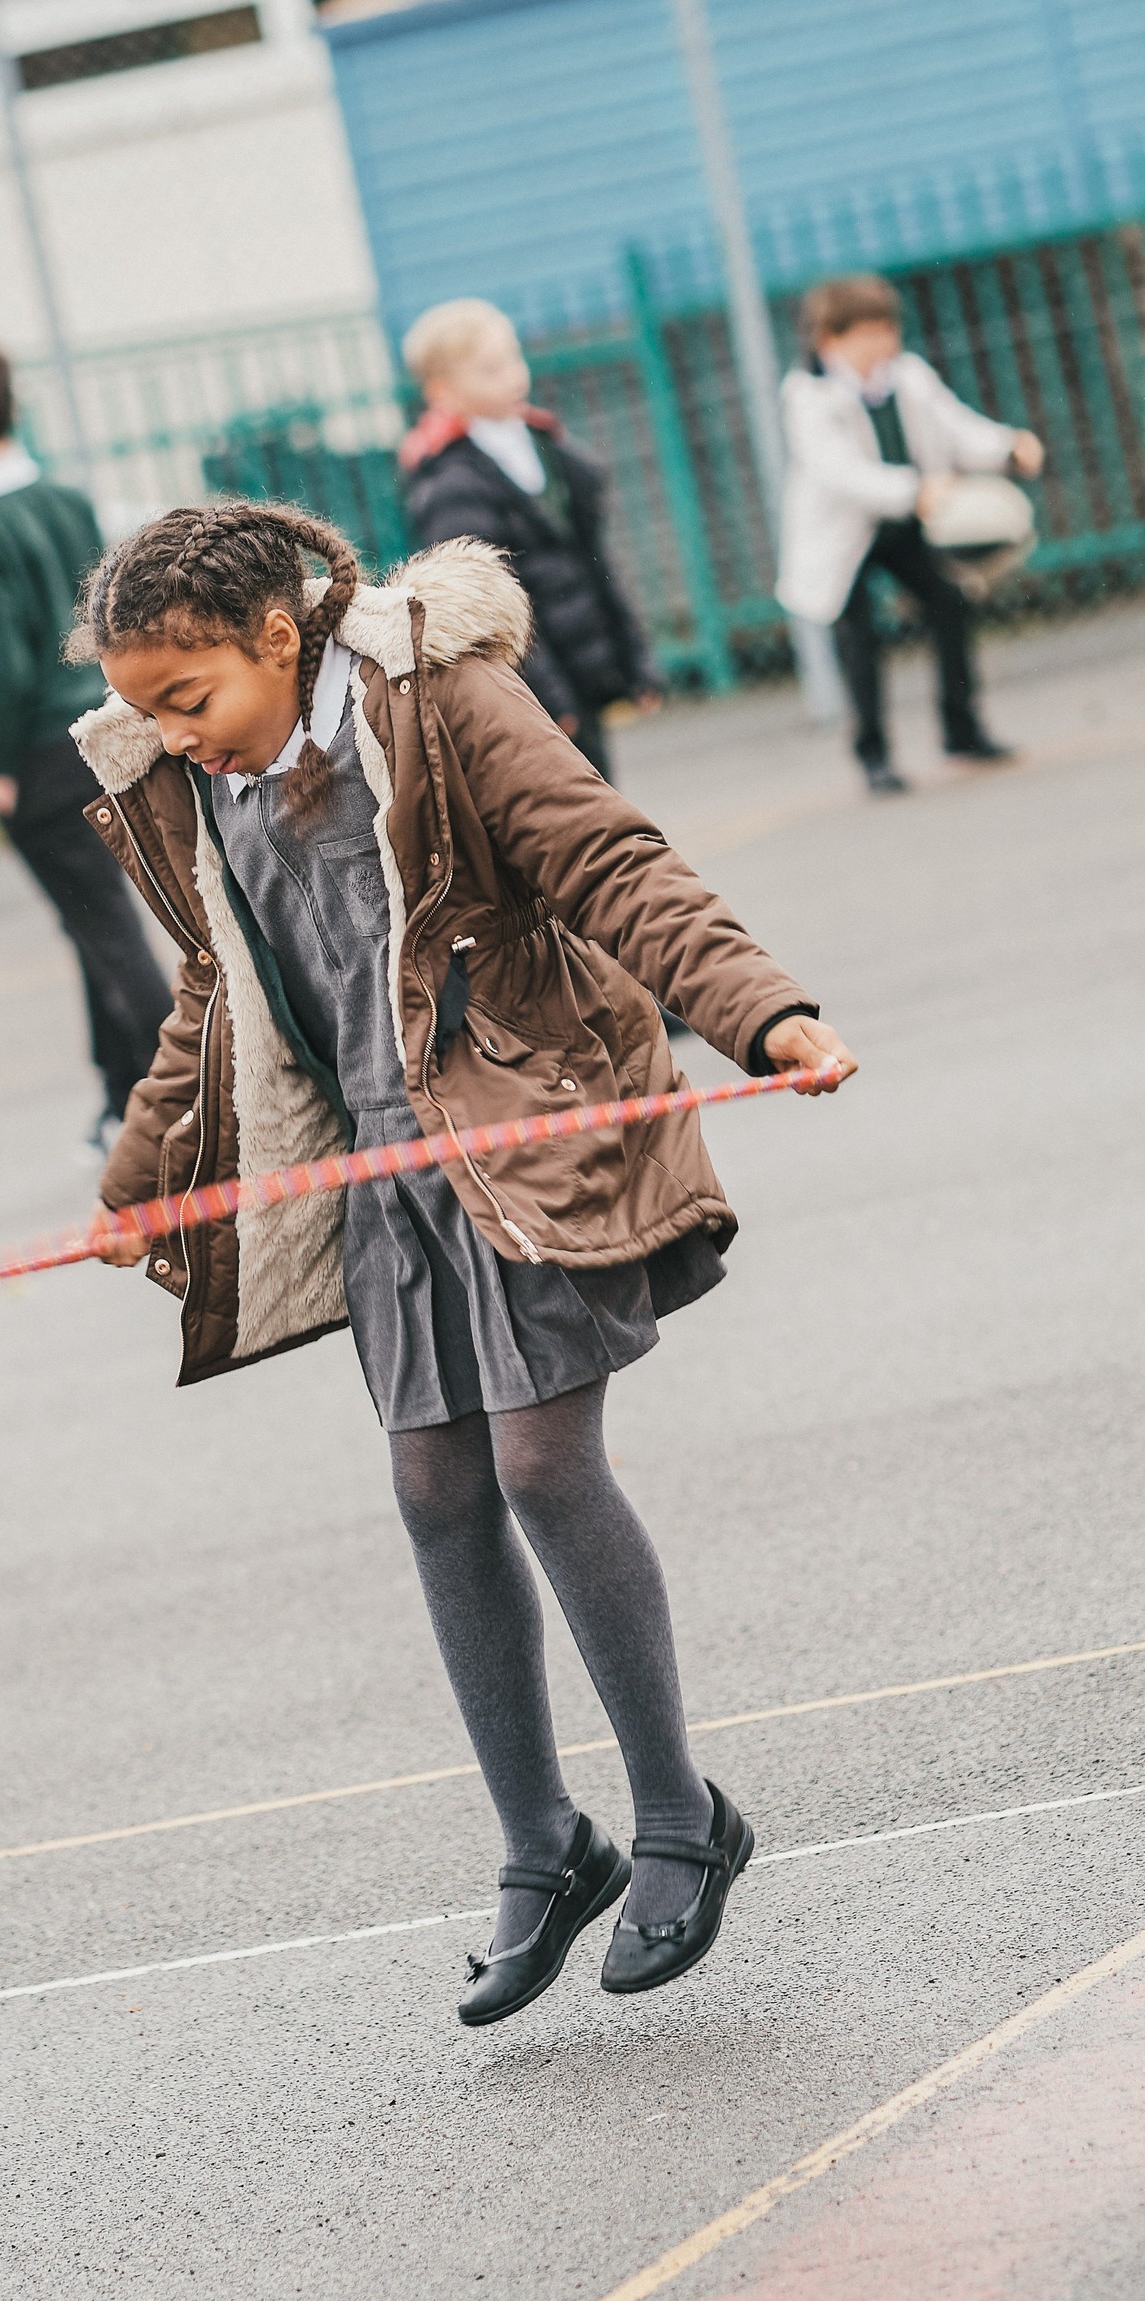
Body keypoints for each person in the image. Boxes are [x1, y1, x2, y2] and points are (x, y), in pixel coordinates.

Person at [65, 501, 855, 2027]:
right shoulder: (202, 784)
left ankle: (681, 1813)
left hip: (520, 1132)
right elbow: (213, 1000)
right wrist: (140, 1181)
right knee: (434, 1490)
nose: (172, 734)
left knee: (544, 1465)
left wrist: (760, 1010)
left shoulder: (437, 706)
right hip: (384, 1176)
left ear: (276, 640)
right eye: (146, 709)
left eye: (190, 696)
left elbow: (611, 866)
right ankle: (542, 1843)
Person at [0, 339, 171, 1149]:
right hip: (109, 728)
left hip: (42, 751)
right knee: (94, 924)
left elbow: (3, 670)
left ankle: (182, 1099)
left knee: (108, 933)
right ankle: (117, 1102)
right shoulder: (67, 502)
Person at [777, 273, 1044, 794]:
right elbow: (839, 471)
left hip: (907, 523)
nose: (885, 343)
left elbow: (956, 427)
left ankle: (962, 731)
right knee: (859, 638)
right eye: (869, 333)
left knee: (949, 602)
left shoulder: (908, 377)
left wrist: (1007, 447)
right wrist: (915, 490)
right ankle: (874, 755)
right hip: (845, 535)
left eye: (888, 329)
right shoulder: (807, 395)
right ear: (832, 339)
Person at [398, 297, 661, 785]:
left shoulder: (549, 447)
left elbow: (595, 562)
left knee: (599, 793)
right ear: (442, 390)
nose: (512, 375)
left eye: (512, 358)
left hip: (581, 665)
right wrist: (547, 698)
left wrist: (633, 660)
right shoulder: (450, 480)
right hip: (531, 685)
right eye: (489, 369)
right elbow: (482, 605)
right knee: (567, 809)